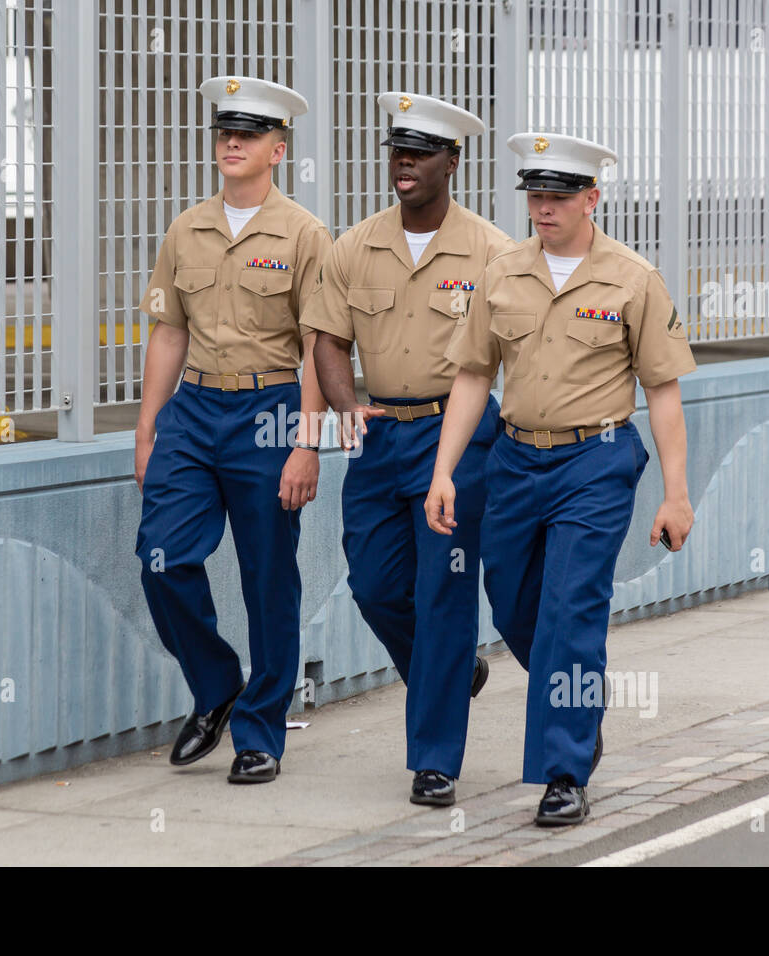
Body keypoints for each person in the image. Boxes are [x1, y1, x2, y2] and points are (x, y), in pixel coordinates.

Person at [425, 132, 697, 825]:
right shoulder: (503, 272)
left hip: (596, 462)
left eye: (558, 197)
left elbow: (662, 390)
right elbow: (474, 375)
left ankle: (563, 771)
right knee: (515, 605)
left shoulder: (632, 278)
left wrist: (675, 494)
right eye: (535, 196)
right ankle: (573, 702)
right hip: (514, 459)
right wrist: (444, 472)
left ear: (592, 199)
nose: (543, 209)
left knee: (571, 610)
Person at [302, 93, 512, 807]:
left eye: (420, 152)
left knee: (443, 592)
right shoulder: (354, 247)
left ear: (453, 161)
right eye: (397, 150)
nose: (404, 162)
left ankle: (434, 760)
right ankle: (453, 672)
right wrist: (342, 407)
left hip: (458, 436)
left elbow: (509, 353)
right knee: (375, 585)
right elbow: (327, 338)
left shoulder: (491, 251)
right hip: (380, 437)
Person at [134, 76, 332, 784]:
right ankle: (217, 686)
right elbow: (168, 332)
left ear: (278, 149)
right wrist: (148, 428)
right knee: (162, 555)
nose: (233, 143)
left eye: (248, 135)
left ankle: (261, 731)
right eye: (225, 133)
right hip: (193, 410)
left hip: (270, 411)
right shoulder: (187, 229)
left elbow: (319, 346)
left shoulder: (305, 234)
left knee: (267, 576)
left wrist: (307, 441)